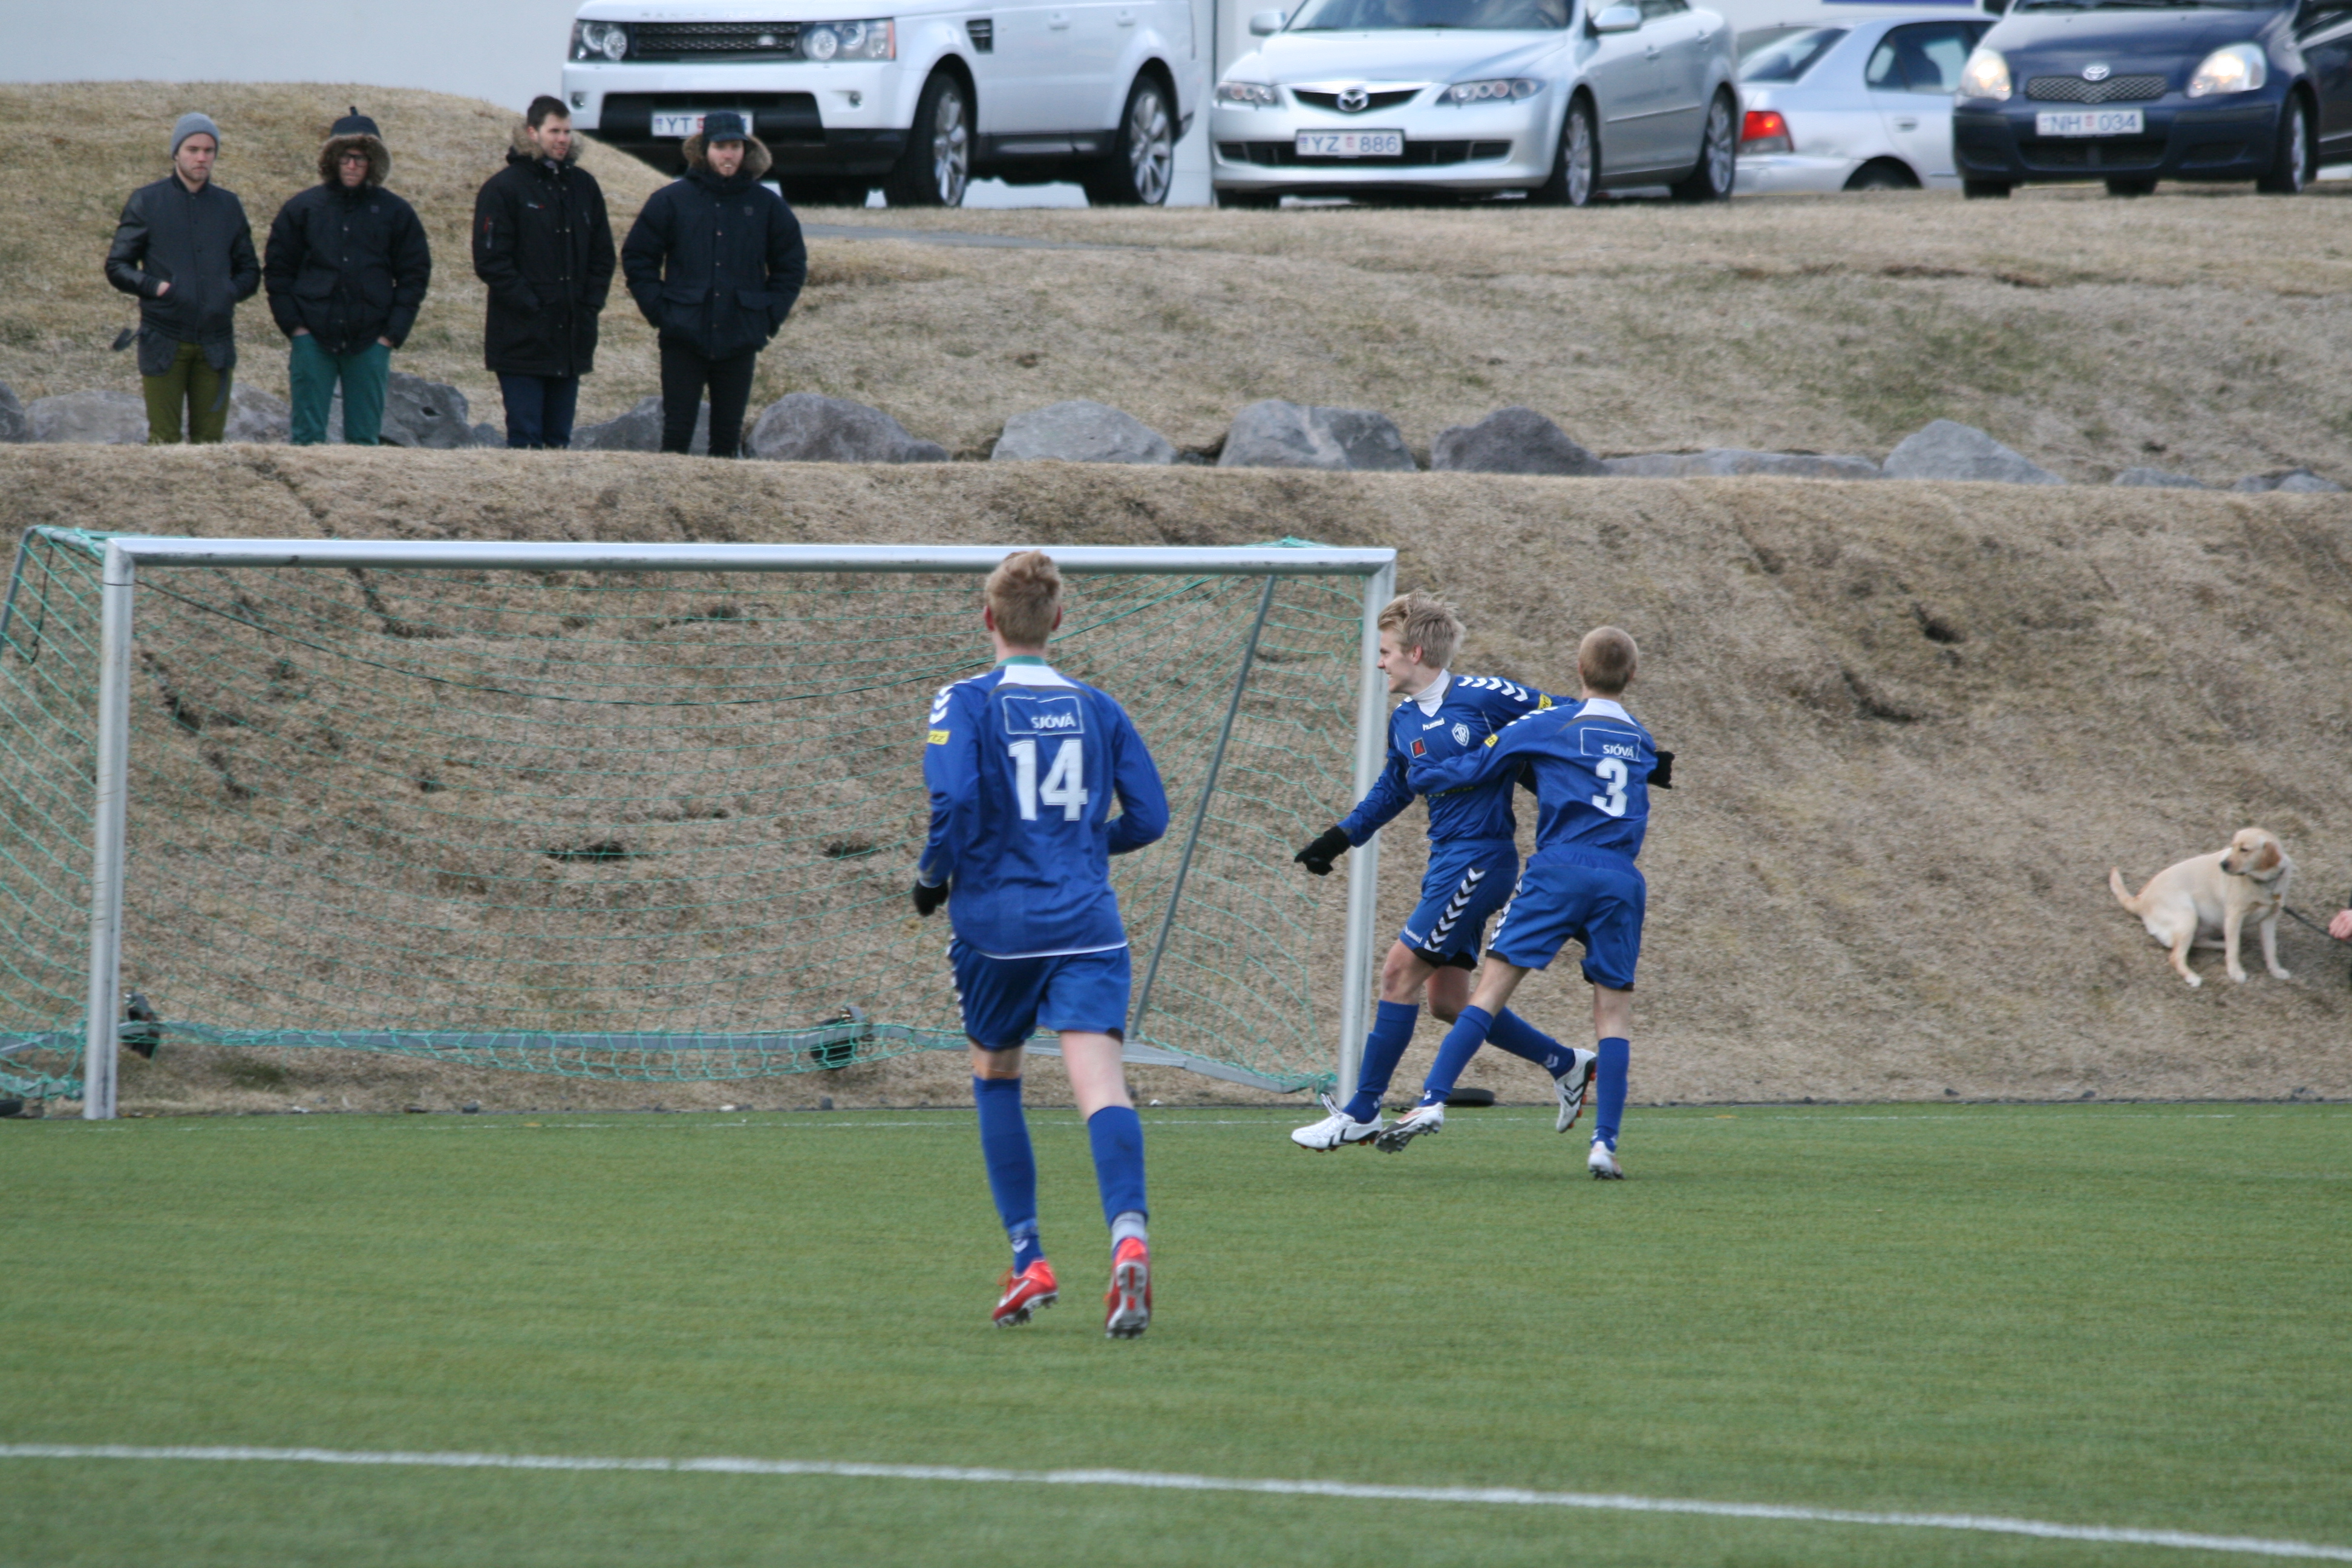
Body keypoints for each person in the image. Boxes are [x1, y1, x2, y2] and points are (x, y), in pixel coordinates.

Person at [911, 550, 1170, 1336]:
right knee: (1103, 1088)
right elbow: (1150, 818)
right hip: (1087, 924)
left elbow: (954, 798)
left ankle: (1030, 1259)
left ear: (987, 618)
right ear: (1058, 619)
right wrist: (1085, 848)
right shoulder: (1098, 706)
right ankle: (1129, 1238)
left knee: (997, 1076)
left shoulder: (965, 700)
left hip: (997, 929)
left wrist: (932, 875)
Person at [1287, 590, 1596, 1152]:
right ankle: (1565, 1063)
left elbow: (1571, 713)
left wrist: (1635, 757)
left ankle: (1362, 1110)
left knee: (1397, 973)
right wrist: (1337, 839)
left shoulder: (1485, 695)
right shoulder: (1404, 719)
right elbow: (1392, 790)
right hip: (1445, 863)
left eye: (1386, 652)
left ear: (1417, 652)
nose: (1379, 663)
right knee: (1448, 1003)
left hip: (1481, 860)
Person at [1382, 626, 1671, 1179]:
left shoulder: (1550, 723)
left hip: (1559, 869)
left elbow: (1477, 765)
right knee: (1614, 1014)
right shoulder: (1640, 737)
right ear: (1633, 675)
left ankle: (1433, 1100)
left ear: (1578, 669)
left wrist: (1423, 774)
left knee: (1489, 993)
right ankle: (1604, 1145)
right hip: (1621, 879)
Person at [619, 111, 807, 458]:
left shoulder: (767, 205)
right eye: (721, 147)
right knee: (676, 434)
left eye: (735, 146)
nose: (729, 155)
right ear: (705, 150)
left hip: (740, 336)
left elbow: (791, 266)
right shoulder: (671, 200)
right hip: (682, 336)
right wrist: (661, 312)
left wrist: (766, 317)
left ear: (746, 151)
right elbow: (638, 257)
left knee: (727, 439)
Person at [264, 108, 432, 446]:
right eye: (345, 157)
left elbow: (415, 275)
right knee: (307, 440)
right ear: (332, 159)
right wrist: (296, 328)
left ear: (373, 162)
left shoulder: (396, 213)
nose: (352, 165)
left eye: (360, 158)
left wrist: (391, 335)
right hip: (312, 338)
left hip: (371, 341)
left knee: (364, 442)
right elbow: (278, 271)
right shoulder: (302, 209)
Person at [104, 113, 261, 445]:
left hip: (216, 342)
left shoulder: (229, 205)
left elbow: (250, 271)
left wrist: (227, 292)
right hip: (163, 338)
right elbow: (118, 265)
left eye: (209, 150)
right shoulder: (147, 200)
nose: (201, 157)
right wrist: (156, 287)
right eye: (193, 149)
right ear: (176, 152)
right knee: (164, 442)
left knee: (210, 445)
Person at [472, 96, 616, 449]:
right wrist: (532, 305)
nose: (563, 139)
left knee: (558, 444)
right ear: (532, 133)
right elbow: (491, 261)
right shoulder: (504, 188)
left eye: (567, 131)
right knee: (526, 442)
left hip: (571, 340)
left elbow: (603, 256)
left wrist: (589, 305)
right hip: (521, 340)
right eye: (554, 131)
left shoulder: (584, 186)